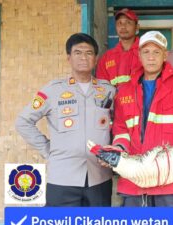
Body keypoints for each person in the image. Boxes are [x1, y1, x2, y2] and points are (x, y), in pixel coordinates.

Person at [110, 31, 173, 225]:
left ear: (165, 56)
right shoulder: (126, 89)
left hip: (172, 177)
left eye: (156, 52)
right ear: (139, 56)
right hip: (136, 180)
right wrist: (119, 151)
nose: (150, 57)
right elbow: (121, 129)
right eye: (146, 51)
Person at [16, 33, 115, 206]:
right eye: (77, 52)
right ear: (68, 57)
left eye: (89, 53)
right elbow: (23, 122)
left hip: (99, 177)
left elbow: (121, 125)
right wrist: (48, 150)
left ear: (96, 58)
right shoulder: (53, 90)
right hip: (62, 178)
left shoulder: (108, 90)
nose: (83, 57)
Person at [96, 8, 142, 89]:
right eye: (119, 23)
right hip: (115, 101)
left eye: (128, 22)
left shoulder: (146, 52)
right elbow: (102, 89)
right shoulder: (106, 58)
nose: (123, 26)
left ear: (137, 27)